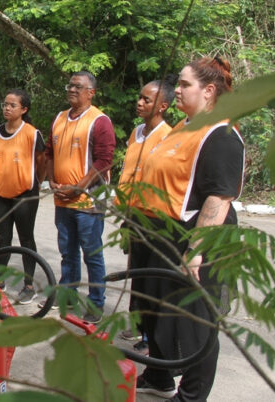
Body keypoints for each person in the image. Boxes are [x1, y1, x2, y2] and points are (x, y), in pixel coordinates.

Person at [132, 57, 244, 401]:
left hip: (194, 238)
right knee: (155, 312)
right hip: (159, 235)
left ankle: (192, 395)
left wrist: (195, 252)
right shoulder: (185, 125)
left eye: (184, 85)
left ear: (209, 91)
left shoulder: (221, 134)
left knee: (196, 322)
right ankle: (159, 376)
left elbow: (218, 198)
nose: (176, 90)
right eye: (177, 84)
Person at [45, 71, 115, 323]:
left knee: (92, 254)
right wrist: (52, 180)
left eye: (78, 86)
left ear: (91, 92)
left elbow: (104, 162)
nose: (72, 89)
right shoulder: (59, 118)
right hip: (62, 198)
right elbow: (49, 152)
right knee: (67, 251)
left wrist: (79, 187)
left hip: (88, 201)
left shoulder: (99, 121)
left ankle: (96, 304)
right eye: (70, 85)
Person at [116, 75, 175, 352]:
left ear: (162, 106)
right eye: (139, 97)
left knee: (151, 281)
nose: (139, 102)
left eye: (146, 99)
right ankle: (138, 326)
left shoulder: (170, 137)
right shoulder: (136, 132)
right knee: (137, 276)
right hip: (131, 215)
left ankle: (150, 337)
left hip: (152, 218)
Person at [0, 89, 46, 304]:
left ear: (24, 109)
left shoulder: (31, 133)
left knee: (26, 239)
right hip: (0, 194)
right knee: (3, 239)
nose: (7, 108)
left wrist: (35, 183)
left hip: (25, 195)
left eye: (13, 105)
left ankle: (28, 285)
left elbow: (42, 160)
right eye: (5, 104)